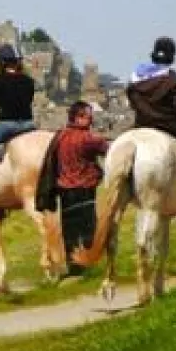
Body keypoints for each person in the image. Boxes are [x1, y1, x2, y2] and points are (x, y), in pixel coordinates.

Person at [127, 36, 176, 160]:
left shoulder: (135, 77)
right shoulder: (174, 79)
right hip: (169, 126)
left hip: (141, 124)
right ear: (172, 57)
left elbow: (132, 102)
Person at [53, 100, 109, 274]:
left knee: (69, 229)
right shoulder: (88, 139)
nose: (91, 119)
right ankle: (87, 264)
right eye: (87, 116)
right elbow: (108, 150)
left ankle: (73, 266)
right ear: (77, 118)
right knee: (87, 228)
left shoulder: (60, 136)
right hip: (84, 187)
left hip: (64, 188)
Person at [0, 43, 37, 156]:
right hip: (28, 124)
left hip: (8, 125)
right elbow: (29, 100)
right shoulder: (29, 80)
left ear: (2, 63)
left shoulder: (0, 80)